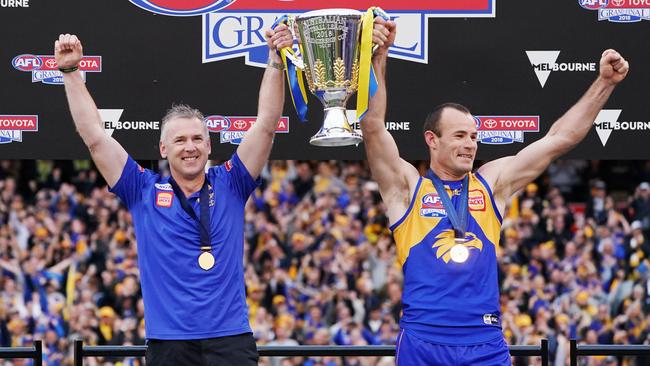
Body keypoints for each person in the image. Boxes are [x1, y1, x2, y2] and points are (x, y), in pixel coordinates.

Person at [364, 19, 629, 365]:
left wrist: (604, 84)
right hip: (423, 339)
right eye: (459, 136)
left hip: (484, 341)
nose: (470, 145)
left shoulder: (493, 183)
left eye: (474, 137)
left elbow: (558, 139)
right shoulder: (408, 187)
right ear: (433, 140)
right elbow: (373, 128)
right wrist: (378, 58)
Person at [54, 24, 293, 365]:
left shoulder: (232, 181)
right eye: (180, 140)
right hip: (169, 344)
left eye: (197, 139)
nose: (190, 147)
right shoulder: (143, 190)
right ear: (164, 148)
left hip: (231, 340)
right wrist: (71, 71)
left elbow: (266, 124)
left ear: (210, 145)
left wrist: (275, 61)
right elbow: (95, 137)